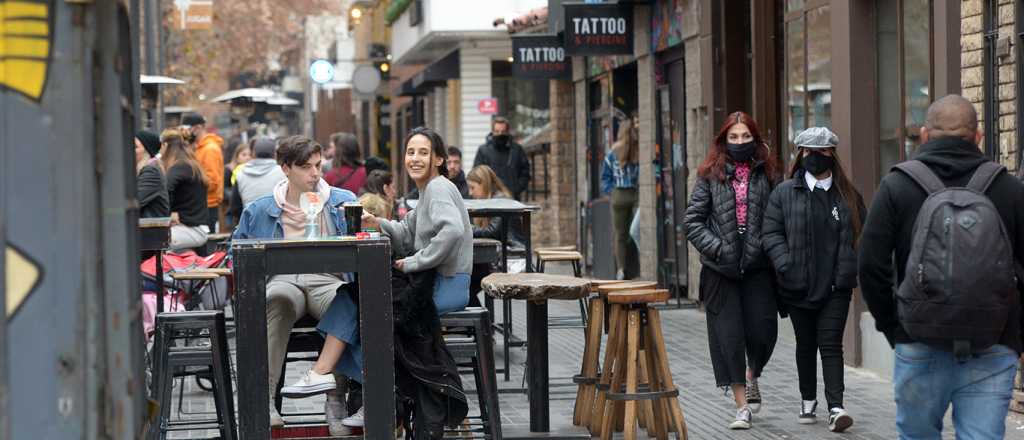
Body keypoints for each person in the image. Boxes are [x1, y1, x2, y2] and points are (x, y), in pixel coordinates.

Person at [281, 127, 473, 429]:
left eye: (423, 153)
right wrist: (378, 223)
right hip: (432, 283)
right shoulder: (427, 192)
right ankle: (368, 394)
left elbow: (452, 231)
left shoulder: (438, 188)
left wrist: (414, 262)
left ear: (438, 159)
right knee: (356, 296)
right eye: (411, 152)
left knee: (360, 299)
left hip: (445, 286)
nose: (415, 158)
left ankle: (353, 387)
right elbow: (406, 233)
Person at [859, 95, 1024, 439]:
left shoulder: (896, 186)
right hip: (993, 341)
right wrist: (1015, 335)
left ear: (924, 135)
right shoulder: (1008, 188)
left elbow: (871, 266)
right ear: (978, 137)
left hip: (918, 339)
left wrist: (896, 328)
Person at [232, 135, 358, 433]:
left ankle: (335, 399)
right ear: (286, 168)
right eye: (306, 167)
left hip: (327, 280)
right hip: (284, 280)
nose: (315, 174)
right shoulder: (260, 209)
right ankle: (264, 399)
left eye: (318, 165)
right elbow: (235, 253)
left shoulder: (341, 201)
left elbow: (361, 243)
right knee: (277, 300)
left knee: (348, 301)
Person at [762, 127, 864, 432]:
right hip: (797, 284)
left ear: (831, 154)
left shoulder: (848, 195)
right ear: (800, 154)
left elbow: (864, 234)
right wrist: (785, 264)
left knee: (830, 344)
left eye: (820, 152)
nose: (813, 157)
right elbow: (771, 233)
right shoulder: (784, 193)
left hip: (835, 287)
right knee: (805, 344)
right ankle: (808, 399)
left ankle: (836, 407)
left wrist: (850, 266)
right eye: (807, 151)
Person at [683, 111, 779, 430]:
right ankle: (742, 407)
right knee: (730, 337)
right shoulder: (709, 175)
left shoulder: (768, 174)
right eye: (733, 137)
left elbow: (778, 218)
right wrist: (719, 248)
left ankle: (753, 374)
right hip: (720, 271)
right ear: (724, 140)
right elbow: (692, 222)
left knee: (764, 331)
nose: (739, 142)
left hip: (757, 268)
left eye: (745, 136)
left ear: (755, 138)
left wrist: (766, 247)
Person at [601, 116, 640, 280]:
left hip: (619, 195)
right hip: (635, 194)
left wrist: (612, 191)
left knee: (620, 235)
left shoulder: (612, 152)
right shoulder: (638, 150)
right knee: (637, 231)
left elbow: (605, 177)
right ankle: (638, 267)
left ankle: (621, 269)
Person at [160, 129, 210, 251]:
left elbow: (166, 189)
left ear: (165, 145)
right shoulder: (190, 164)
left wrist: (168, 213)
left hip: (190, 229)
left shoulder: (179, 166)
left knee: (150, 241)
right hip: (196, 228)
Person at [182, 112, 225, 232]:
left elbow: (213, 182)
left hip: (208, 204)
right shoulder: (199, 148)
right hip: (202, 203)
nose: (185, 133)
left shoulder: (209, 149)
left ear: (198, 128)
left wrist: (190, 187)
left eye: (187, 129)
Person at [230, 136, 286, 224]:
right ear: (274, 154)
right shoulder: (283, 173)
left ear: (253, 154)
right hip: (277, 225)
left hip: (250, 224)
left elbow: (235, 207)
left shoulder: (241, 174)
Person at [473, 116, 531, 200]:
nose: (500, 134)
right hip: (489, 199)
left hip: (512, 198)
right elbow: (477, 174)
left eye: (503, 131)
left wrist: (516, 189)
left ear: (507, 132)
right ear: (492, 132)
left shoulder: (517, 150)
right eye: (497, 131)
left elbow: (525, 173)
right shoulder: (483, 150)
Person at [135, 130, 169, 218]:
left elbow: (135, 201)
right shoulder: (144, 169)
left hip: (151, 225)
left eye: (135, 147)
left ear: (146, 151)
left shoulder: (151, 171)